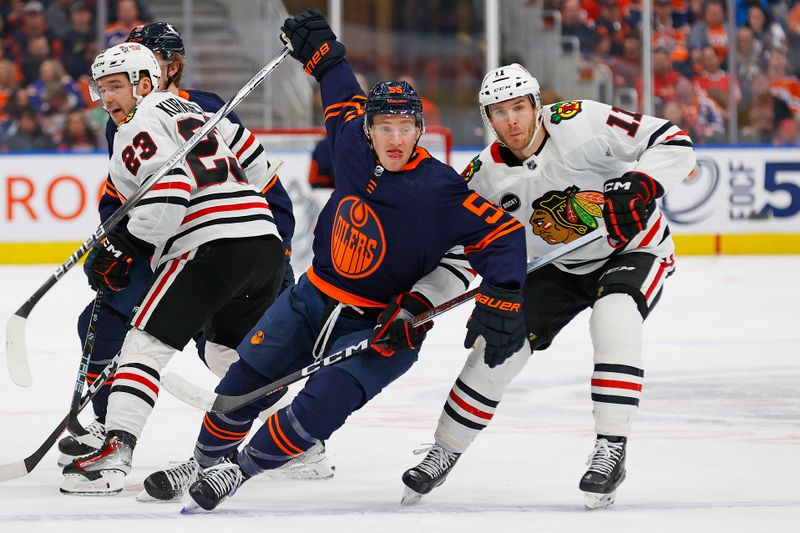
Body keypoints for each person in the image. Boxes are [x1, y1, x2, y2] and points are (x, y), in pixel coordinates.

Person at [175, 8, 527, 512]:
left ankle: (243, 469)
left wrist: (506, 293)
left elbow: (503, 236)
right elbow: (338, 83)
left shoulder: (440, 189)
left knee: (320, 405)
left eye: (407, 127)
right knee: (243, 382)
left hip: (381, 325)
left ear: (420, 129)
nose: (396, 139)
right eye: (385, 126)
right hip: (311, 298)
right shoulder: (348, 140)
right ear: (368, 128)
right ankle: (205, 459)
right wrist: (324, 50)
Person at [400, 63, 696, 510]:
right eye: (499, 112)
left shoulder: (584, 121)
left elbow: (673, 141)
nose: (512, 121)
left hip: (633, 249)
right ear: (488, 119)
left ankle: (610, 448)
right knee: (495, 347)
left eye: (519, 107)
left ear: (538, 105)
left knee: (614, 318)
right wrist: (419, 304)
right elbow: (461, 254)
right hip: (553, 266)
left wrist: (641, 184)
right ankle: (444, 449)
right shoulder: (483, 178)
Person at [58, 41, 288, 495]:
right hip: (262, 241)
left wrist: (121, 246)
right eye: (101, 88)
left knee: (142, 345)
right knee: (226, 355)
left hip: (210, 246)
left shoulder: (135, 127)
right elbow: (259, 168)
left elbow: (169, 194)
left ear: (144, 82)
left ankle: (114, 455)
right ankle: (294, 437)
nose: (107, 99)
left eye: (117, 86)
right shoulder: (196, 113)